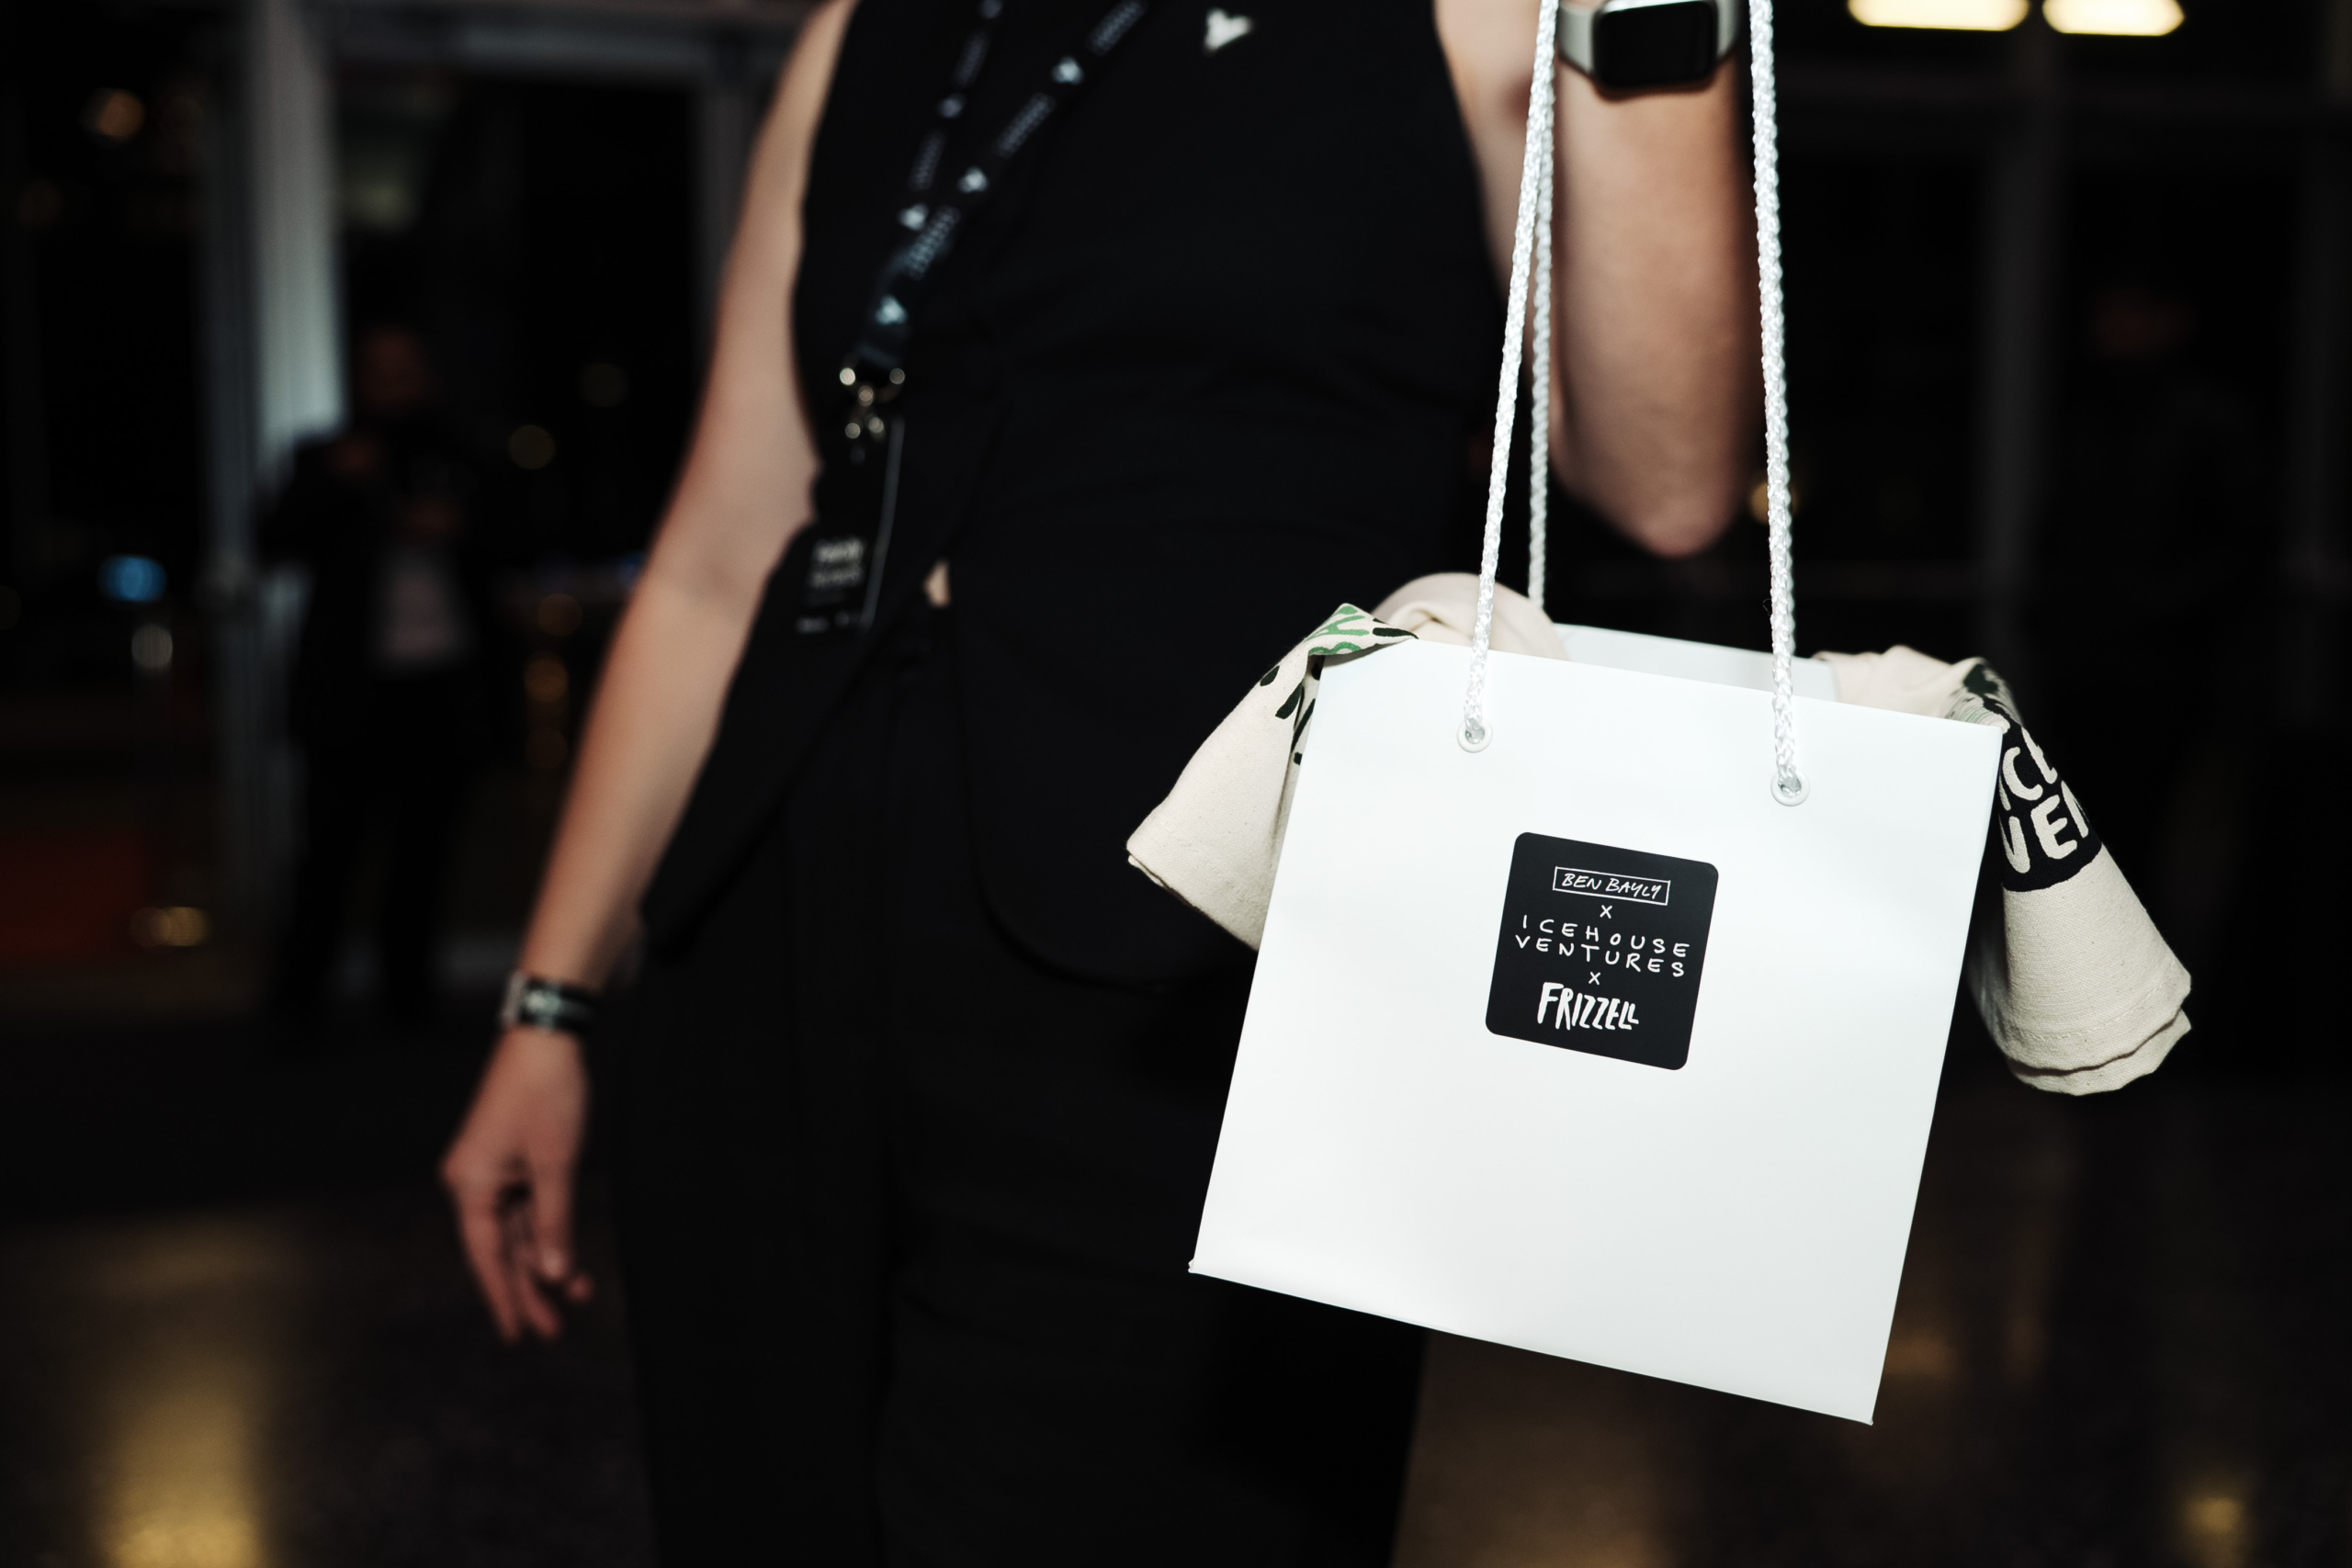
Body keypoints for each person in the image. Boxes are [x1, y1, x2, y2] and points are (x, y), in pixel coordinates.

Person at [440, 0, 1755, 1561]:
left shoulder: (1481, 13)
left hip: (1201, 977)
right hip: (772, 922)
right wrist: (552, 1002)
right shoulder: (865, 33)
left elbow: (1666, 483)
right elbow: (719, 563)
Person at [266, 324, 506, 1029]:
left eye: (407, 370)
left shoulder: (461, 458)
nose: (395, 386)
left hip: (441, 688)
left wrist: (457, 527)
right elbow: (273, 539)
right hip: (351, 695)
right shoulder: (328, 456)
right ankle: (298, 1001)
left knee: (423, 853)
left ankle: (409, 997)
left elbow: (513, 535)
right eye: (382, 372)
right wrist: (336, 484)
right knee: (330, 852)